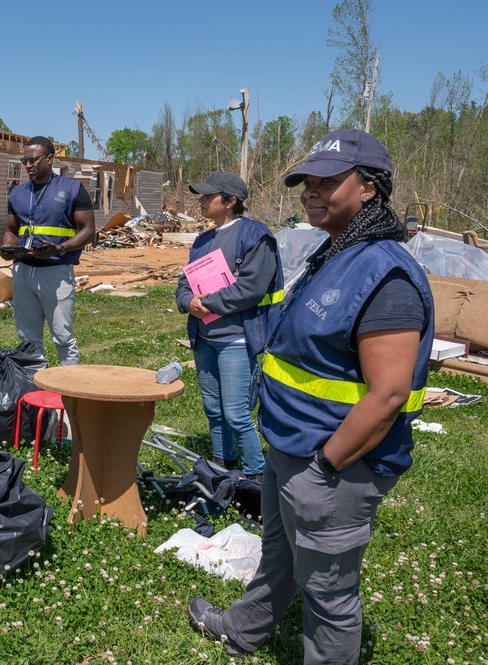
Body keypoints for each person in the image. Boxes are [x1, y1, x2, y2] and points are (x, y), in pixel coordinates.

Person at [188, 129, 435, 663]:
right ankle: (244, 629)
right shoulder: (337, 252)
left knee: (328, 595)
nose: (311, 192)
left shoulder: (385, 275)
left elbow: (389, 393)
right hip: (290, 446)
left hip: (335, 464)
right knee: (278, 555)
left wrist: (325, 466)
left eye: (328, 181)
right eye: (306, 183)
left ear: (369, 188)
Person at [175, 172, 283, 479]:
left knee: (236, 413)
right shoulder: (202, 240)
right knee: (212, 406)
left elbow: (251, 288)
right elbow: (185, 282)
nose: (202, 200)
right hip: (204, 336)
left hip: (236, 337)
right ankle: (224, 463)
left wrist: (206, 304)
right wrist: (188, 302)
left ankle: (255, 475)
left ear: (231, 201)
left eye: (209, 196)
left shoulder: (255, 235)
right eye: (202, 196)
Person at [1, 136, 95, 365]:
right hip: (23, 272)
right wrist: (7, 247)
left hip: (56, 272)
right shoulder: (18, 193)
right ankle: (34, 388)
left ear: (50, 158)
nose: (28, 165)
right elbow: (11, 229)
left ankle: (70, 392)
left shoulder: (73, 190)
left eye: (33, 160)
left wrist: (60, 248)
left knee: (62, 336)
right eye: (25, 161)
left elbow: (88, 230)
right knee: (28, 339)